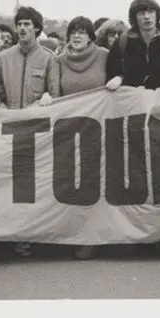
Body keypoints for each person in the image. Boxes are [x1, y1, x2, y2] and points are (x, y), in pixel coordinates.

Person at [106, 0, 160, 260]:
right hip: (133, 123)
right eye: (141, 12)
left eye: (151, 11)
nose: (147, 16)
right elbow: (111, 75)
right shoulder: (122, 44)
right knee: (138, 177)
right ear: (135, 17)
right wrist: (117, 78)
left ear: (158, 14)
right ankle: (141, 235)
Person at [0, 6, 60, 257]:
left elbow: (55, 94)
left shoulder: (50, 58)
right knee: (5, 183)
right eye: (20, 24)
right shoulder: (3, 58)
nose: (22, 28)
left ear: (37, 28)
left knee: (30, 187)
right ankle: (5, 234)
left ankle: (27, 236)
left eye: (28, 24)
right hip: (7, 131)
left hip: (36, 134)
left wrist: (47, 97)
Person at [57, 17, 110, 260]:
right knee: (70, 187)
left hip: (99, 131)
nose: (77, 36)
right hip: (68, 133)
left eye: (82, 32)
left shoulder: (104, 57)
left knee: (94, 187)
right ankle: (72, 234)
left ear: (91, 36)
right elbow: (54, 91)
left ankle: (93, 238)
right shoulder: (59, 61)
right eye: (73, 32)